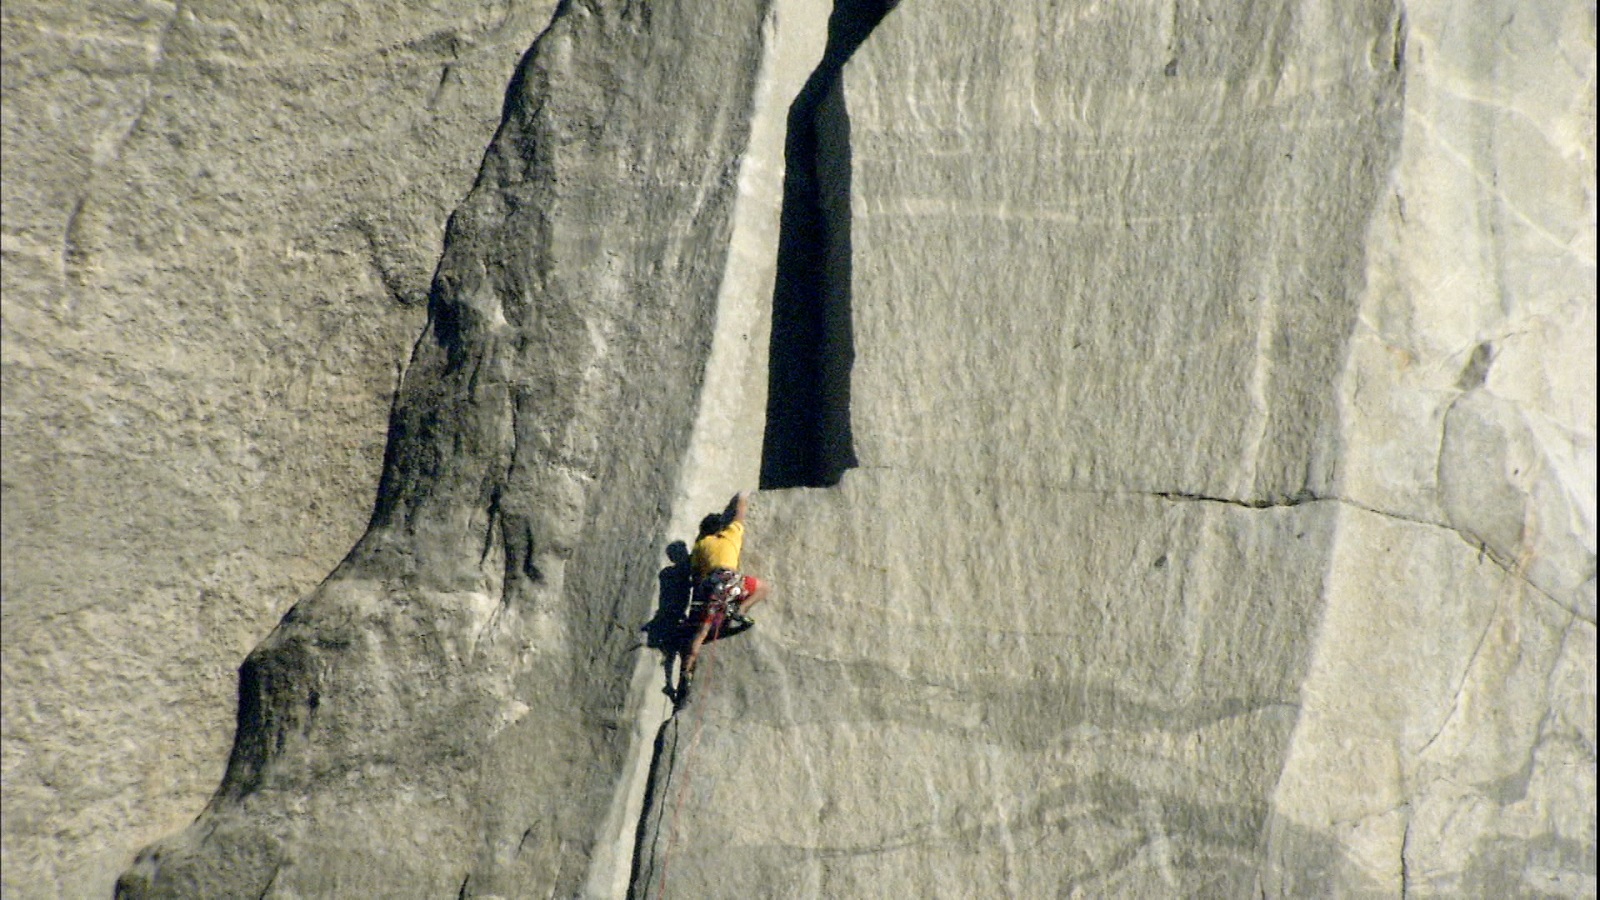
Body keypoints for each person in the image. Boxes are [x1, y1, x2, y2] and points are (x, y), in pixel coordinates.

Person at [678, 490, 768, 701]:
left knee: (702, 632)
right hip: (731, 580)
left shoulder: (701, 545)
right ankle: (740, 610)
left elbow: (696, 574)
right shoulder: (731, 534)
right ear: (719, 528)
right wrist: (742, 497)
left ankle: (686, 671)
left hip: (711, 585)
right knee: (763, 588)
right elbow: (740, 514)